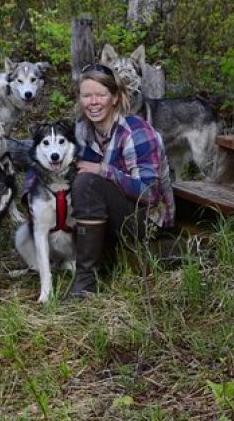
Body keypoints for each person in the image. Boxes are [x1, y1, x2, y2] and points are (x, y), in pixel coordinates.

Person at [68, 63, 175, 298]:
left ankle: (85, 283)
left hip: (147, 221)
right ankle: (89, 268)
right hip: (111, 211)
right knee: (80, 183)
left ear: (115, 98)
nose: (93, 102)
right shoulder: (84, 131)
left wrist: (104, 170)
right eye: (87, 95)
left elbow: (149, 193)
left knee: (88, 183)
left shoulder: (135, 132)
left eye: (100, 95)